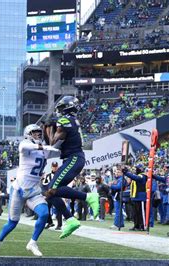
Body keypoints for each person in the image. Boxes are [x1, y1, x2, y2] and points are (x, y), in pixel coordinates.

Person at [0, 124, 60, 257]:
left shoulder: (44, 149)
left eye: (39, 133)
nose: (38, 135)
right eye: (35, 133)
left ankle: (33, 242)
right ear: (28, 134)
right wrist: (45, 147)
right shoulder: (25, 144)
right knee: (13, 223)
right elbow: (24, 147)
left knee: (45, 214)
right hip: (19, 189)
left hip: (34, 190)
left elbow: (58, 151)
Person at [44, 96, 100, 239]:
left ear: (66, 108)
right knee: (50, 194)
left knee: (52, 189)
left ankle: (88, 197)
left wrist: (48, 128)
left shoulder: (64, 121)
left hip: (73, 158)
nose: (59, 111)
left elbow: (52, 143)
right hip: (73, 158)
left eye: (61, 108)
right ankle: (70, 220)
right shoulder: (72, 120)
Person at [42, 161, 58, 229]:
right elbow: (44, 184)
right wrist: (45, 193)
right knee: (46, 209)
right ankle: (50, 222)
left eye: (55, 166)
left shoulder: (60, 174)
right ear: (51, 167)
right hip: (49, 195)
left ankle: (59, 225)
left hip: (58, 194)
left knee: (60, 209)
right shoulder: (48, 176)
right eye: (53, 166)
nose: (54, 168)